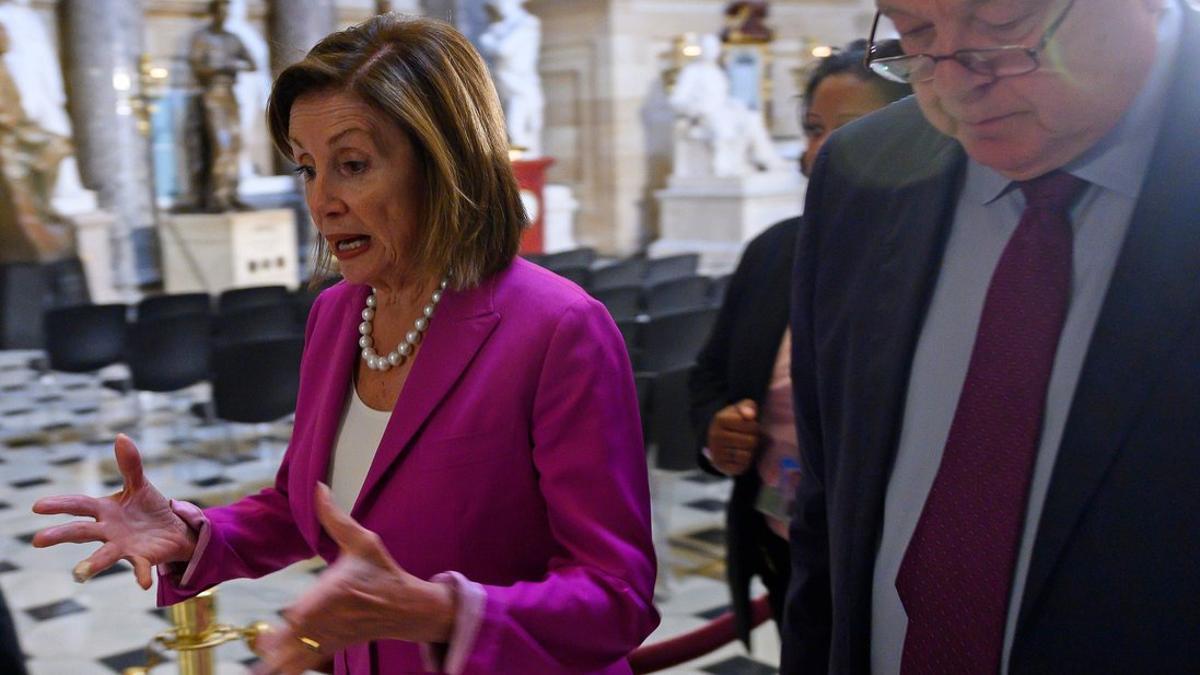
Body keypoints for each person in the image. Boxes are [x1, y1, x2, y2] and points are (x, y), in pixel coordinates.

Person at [32, 15, 658, 674]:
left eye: (352, 165)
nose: (322, 200)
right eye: (307, 168)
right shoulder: (337, 314)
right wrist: (196, 533)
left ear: (444, 162)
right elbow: (309, 507)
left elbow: (617, 597)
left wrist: (442, 612)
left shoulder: (558, 329)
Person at [783, 0, 1200, 673]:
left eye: (1005, 23)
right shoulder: (861, 172)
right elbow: (827, 514)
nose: (952, 82)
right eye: (914, 33)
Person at [688, 41, 909, 650]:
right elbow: (709, 375)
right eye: (813, 129)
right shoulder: (776, 250)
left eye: (850, 129)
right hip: (782, 538)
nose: (821, 151)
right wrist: (719, 430)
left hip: (891, 557)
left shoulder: (934, 257)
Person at [669, 34, 784, 177]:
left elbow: (722, 97)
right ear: (701, 49)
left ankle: (765, 159)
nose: (710, 51)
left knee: (752, 118)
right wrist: (696, 109)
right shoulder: (692, 71)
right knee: (722, 127)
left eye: (713, 48)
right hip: (702, 114)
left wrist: (735, 104)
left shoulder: (717, 72)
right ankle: (724, 168)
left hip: (722, 110)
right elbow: (677, 100)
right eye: (707, 48)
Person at [187, 0, 254, 211]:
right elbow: (197, 66)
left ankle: (233, 193)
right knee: (221, 145)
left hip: (229, 93)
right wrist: (222, 66)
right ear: (213, 13)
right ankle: (219, 196)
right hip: (212, 95)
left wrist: (232, 65)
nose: (224, 15)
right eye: (220, 11)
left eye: (227, 12)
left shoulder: (233, 39)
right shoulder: (203, 38)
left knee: (235, 143)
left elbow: (252, 63)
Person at [477, 0, 544, 156]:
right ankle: (516, 166)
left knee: (516, 130)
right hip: (502, 86)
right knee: (500, 133)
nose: (498, 5)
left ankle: (522, 168)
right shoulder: (499, 27)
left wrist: (491, 40)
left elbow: (503, 50)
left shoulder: (527, 23)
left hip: (519, 89)